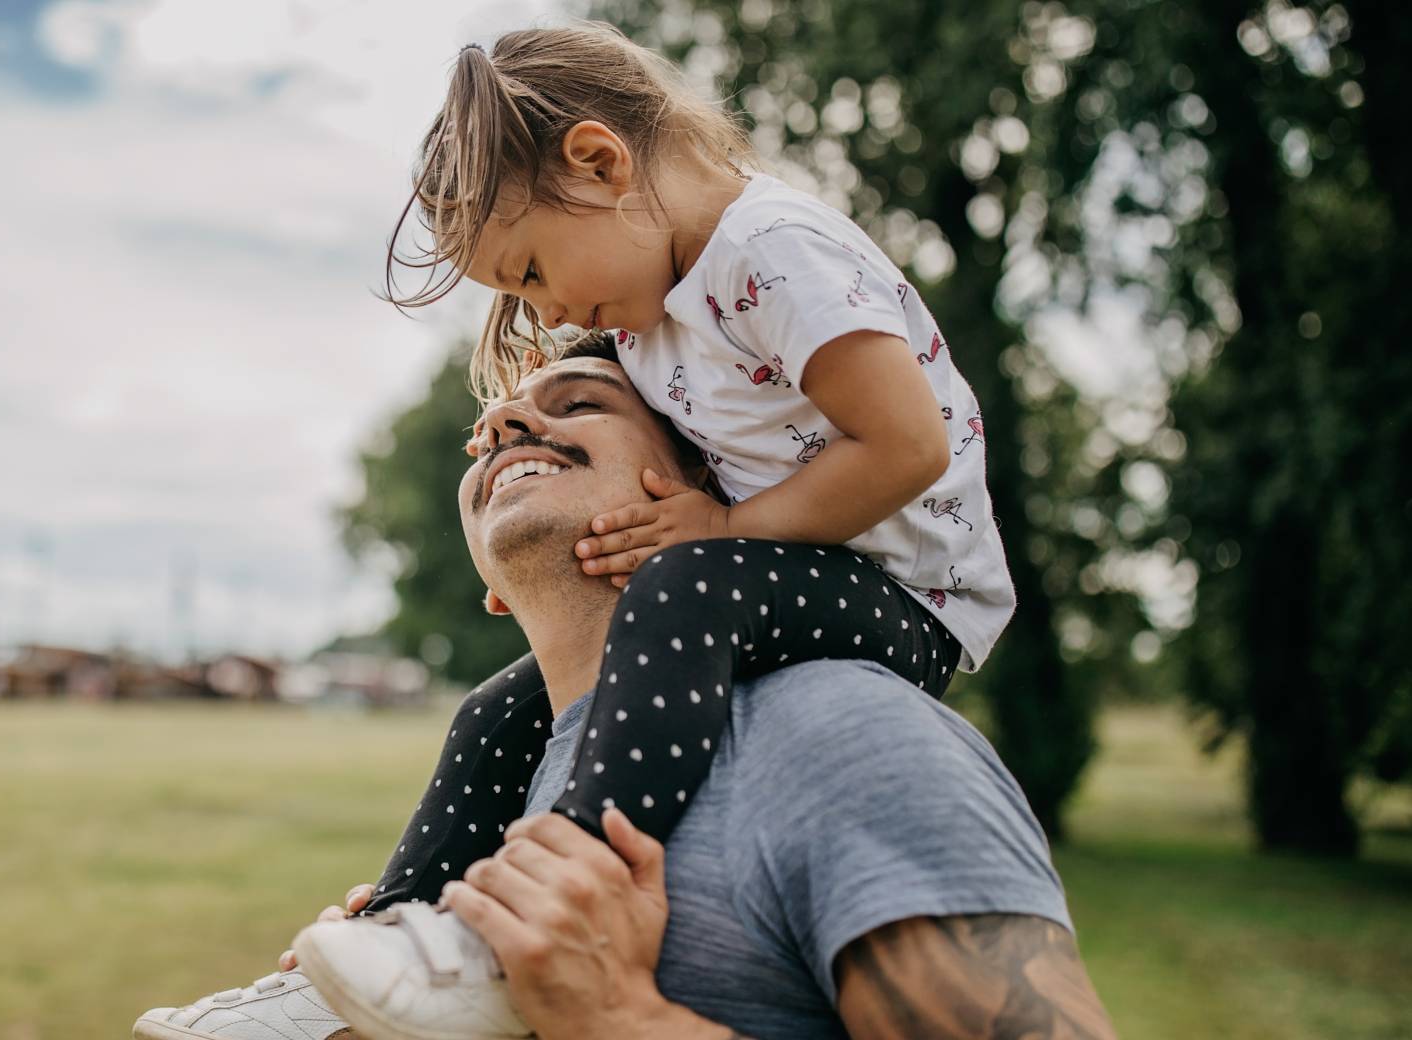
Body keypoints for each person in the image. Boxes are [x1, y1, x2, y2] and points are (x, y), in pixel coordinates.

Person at [288, 22, 1019, 1036]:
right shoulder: (659, 309)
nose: (540, 313)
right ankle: (395, 934)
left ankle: (572, 884)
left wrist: (722, 522)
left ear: (599, 160)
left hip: (910, 591)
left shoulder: (774, 250)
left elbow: (907, 447)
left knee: (691, 579)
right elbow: (565, 405)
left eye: (532, 271)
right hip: (795, 562)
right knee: (495, 710)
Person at [138, 344, 1114, 1040]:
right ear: (488, 579)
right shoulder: (513, 770)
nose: (511, 423)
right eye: (490, 436)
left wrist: (619, 1016)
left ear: (701, 486)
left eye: (583, 401)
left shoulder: (846, 732)